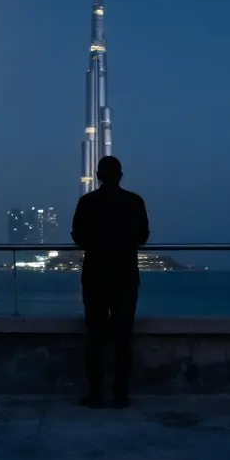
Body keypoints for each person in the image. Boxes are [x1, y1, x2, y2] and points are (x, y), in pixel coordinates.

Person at [70, 156, 150, 409]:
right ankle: (120, 394)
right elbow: (143, 236)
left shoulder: (87, 202)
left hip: (95, 276)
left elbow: (78, 236)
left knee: (95, 336)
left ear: (97, 175)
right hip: (125, 275)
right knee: (123, 336)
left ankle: (95, 393)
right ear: (121, 175)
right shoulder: (134, 202)